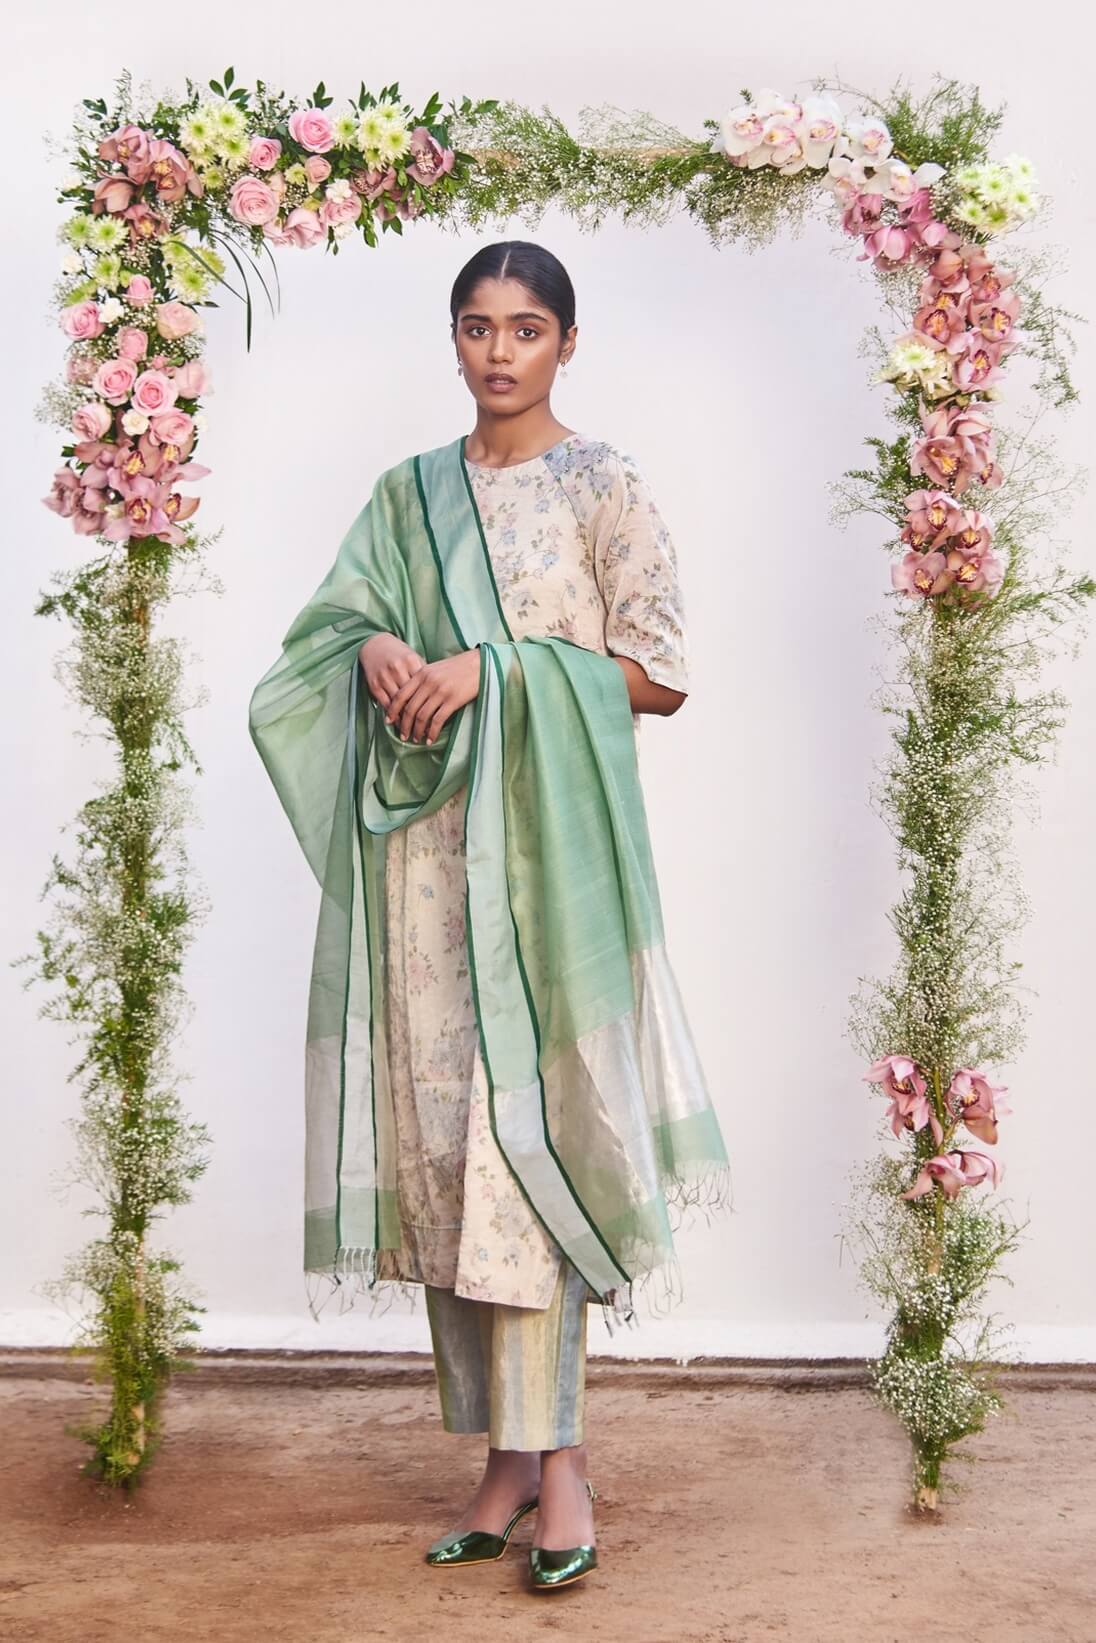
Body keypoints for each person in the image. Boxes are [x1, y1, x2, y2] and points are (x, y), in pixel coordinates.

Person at [248, 239, 731, 1593]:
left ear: (569, 341)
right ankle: (508, 1462)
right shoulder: (407, 494)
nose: (499, 351)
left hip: (549, 865)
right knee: (450, 1153)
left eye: (526, 327)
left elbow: (660, 674)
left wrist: (492, 671)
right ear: (452, 339)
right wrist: (375, 646)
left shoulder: (603, 484)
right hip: (426, 867)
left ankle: (560, 1465)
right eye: (477, 326)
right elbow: (326, 637)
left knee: (531, 1148)